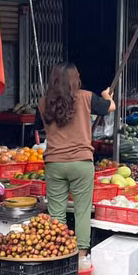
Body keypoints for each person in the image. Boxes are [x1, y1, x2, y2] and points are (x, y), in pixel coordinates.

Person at [40, 63, 116, 262]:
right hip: (81, 163)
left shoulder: (43, 102)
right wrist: (107, 95)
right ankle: (81, 255)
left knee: (56, 213)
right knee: (82, 211)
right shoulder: (86, 97)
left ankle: (58, 254)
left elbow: (38, 127)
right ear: (75, 79)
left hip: (54, 163)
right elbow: (111, 107)